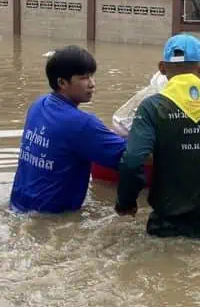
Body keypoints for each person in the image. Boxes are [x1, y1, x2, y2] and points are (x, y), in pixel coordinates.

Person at [115, 34, 200, 247]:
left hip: (166, 227)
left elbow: (133, 160)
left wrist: (125, 202)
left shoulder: (152, 108)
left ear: (162, 68)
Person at [9, 46, 126, 214]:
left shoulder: (37, 105)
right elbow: (134, 156)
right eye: (84, 78)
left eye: (92, 76)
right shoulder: (82, 124)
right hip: (52, 219)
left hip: (17, 205)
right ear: (62, 82)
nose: (92, 84)